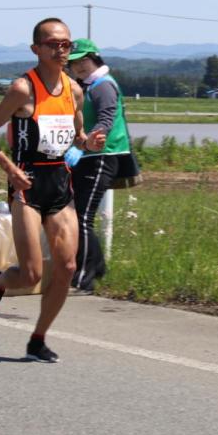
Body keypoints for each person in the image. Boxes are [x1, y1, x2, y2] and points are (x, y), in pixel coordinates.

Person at [0, 18, 91, 363]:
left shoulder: (75, 90)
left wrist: (88, 141)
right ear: (36, 49)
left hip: (59, 183)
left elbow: (77, 135)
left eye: (66, 44)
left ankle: (37, 339)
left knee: (67, 267)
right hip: (26, 185)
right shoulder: (22, 89)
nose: (61, 50)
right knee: (30, 275)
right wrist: (10, 170)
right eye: (53, 44)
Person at [66, 38, 132, 292]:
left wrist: (96, 135)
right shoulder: (86, 86)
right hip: (87, 156)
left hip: (103, 156)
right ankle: (98, 266)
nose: (79, 66)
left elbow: (106, 116)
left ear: (95, 58)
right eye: (73, 63)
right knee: (76, 215)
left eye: (83, 60)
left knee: (82, 217)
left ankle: (85, 276)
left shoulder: (103, 85)